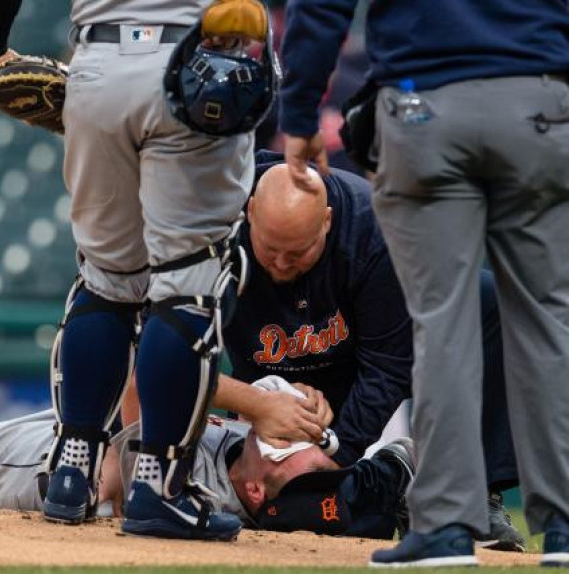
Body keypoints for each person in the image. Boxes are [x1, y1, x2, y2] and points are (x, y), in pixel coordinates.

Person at [0, 0, 318, 541]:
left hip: (94, 67)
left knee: (106, 279)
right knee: (189, 285)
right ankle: (159, 489)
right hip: (199, 65)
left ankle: (71, 474)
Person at [278, 0, 569, 567]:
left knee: (443, 320)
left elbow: (321, 5)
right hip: (538, 97)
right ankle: (562, 526)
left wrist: (300, 112)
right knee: (546, 319)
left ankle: (445, 526)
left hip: (425, 99)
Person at [220, 154, 524, 551]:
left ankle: (470, 496)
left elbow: (387, 363)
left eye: (297, 254)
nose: (280, 264)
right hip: (271, 376)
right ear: (251, 212)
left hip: (364, 351)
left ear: (326, 221)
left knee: (487, 303)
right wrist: (256, 413)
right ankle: (395, 476)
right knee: (303, 515)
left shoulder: (376, 229)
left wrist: (339, 450)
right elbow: (182, 341)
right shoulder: (216, 217)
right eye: (270, 249)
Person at [0, 406, 415, 540]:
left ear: (253, 489)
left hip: (26, 470)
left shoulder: (218, 498)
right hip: (73, 441)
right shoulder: (265, 430)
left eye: (302, 455)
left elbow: (144, 390)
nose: (309, 444)